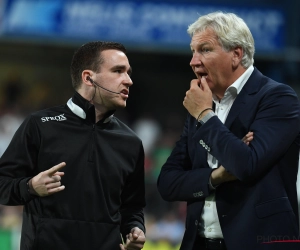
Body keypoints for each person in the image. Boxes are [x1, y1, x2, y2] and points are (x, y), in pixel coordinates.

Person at [157, 11, 300, 250]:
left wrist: (204, 116)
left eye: (204, 49)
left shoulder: (277, 98)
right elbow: (167, 183)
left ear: (236, 54)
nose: (193, 61)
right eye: (193, 51)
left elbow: (246, 165)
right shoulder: (202, 103)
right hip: (199, 243)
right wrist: (216, 177)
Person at [0, 41, 146, 250]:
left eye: (128, 72)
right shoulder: (40, 125)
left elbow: (132, 208)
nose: (129, 80)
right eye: (118, 71)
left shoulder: (131, 142)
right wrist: (30, 187)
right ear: (88, 78)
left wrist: (135, 229)